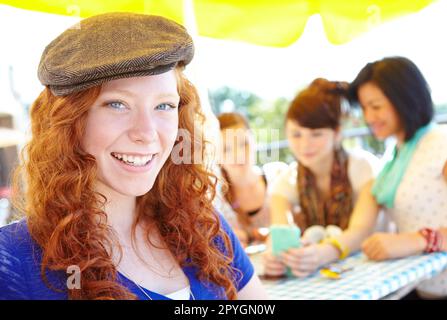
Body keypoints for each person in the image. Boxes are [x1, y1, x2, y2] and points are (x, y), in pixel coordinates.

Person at [0, 13, 268, 300]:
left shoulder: (203, 226)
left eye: (164, 105)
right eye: (118, 104)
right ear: (69, 123)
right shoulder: (12, 262)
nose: (147, 132)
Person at [341, 56, 447, 299]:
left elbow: (410, 241)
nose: (368, 117)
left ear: (405, 99)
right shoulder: (393, 159)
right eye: (364, 108)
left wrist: (417, 240)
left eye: (376, 106)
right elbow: (359, 228)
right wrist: (323, 251)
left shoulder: (442, 144)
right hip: (420, 288)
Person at [263, 78, 381, 278]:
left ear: (337, 134)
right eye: (296, 134)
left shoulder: (363, 167)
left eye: (316, 134)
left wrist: (324, 252)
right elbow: (280, 230)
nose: (304, 145)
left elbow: (361, 230)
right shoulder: (286, 180)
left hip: (374, 270)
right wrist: (274, 255)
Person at [217, 112, 287, 247]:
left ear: (254, 141)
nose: (238, 154)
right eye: (226, 149)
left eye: (244, 144)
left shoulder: (277, 175)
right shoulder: (215, 197)